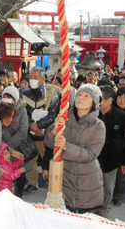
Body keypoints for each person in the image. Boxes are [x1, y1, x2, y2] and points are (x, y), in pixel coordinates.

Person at [44, 84, 105, 214]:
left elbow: (91, 154)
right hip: (65, 176)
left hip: (87, 181)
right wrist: (53, 132)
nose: (81, 98)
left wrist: (66, 147)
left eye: (86, 96)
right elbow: (50, 145)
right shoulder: (64, 118)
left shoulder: (98, 126)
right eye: (79, 94)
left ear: (94, 102)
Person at [21, 66, 60, 194]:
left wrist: (40, 126)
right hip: (29, 134)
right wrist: (32, 126)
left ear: (43, 79)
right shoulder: (25, 94)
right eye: (31, 77)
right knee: (29, 158)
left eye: (35, 77)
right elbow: (23, 114)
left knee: (49, 160)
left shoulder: (52, 93)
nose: (32, 80)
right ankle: (32, 182)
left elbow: (53, 115)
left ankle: (53, 183)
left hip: (45, 135)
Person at [98, 86, 125, 214]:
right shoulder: (93, 113)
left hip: (112, 159)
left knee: (107, 186)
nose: (98, 102)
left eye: (101, 99)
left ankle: (104, 209)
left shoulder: (122, 116)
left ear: (110, 100)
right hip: (93, 156)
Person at [0, 86, 31, 198]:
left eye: (9, 97)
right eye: (4, 97)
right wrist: (4, 148)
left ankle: (19, 197)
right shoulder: (0, 108)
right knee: (5, 176)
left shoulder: (22, 110)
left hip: (19, 147)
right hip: (4, 150)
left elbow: (23, 131)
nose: (6, 99)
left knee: (19, 174)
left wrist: (8, 147)